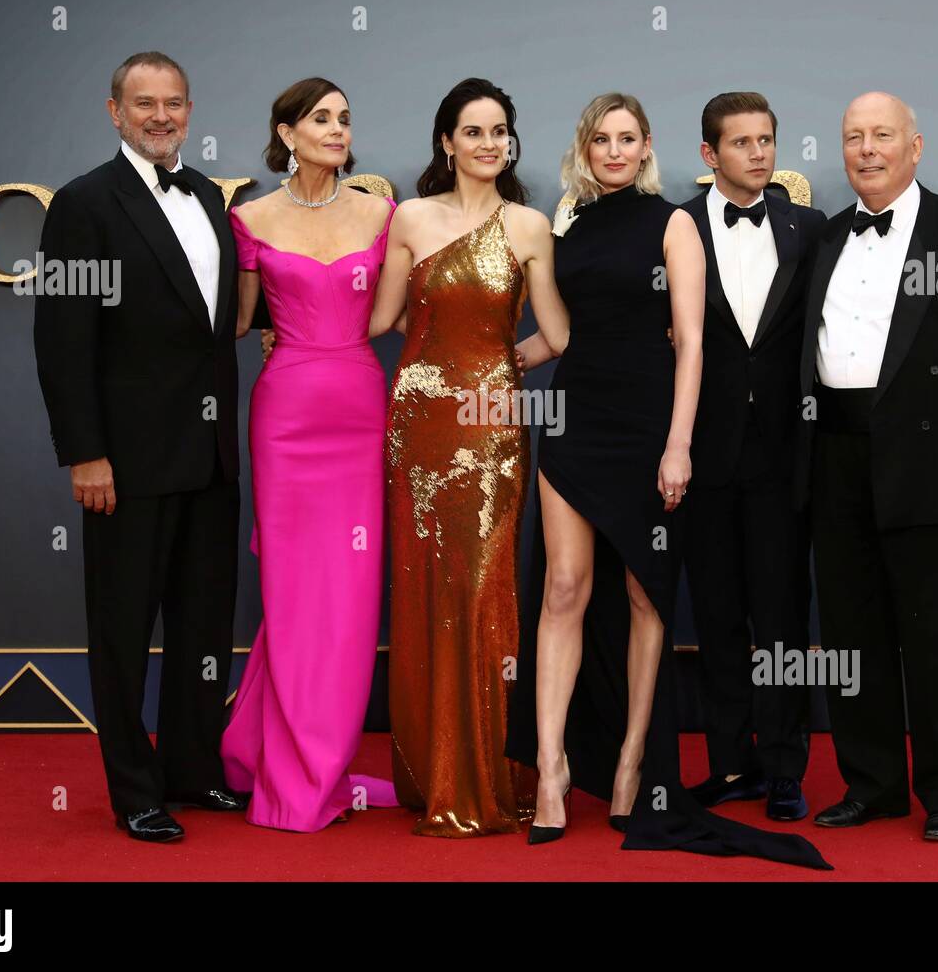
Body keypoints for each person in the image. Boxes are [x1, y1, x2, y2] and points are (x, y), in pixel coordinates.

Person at [506, 93, 830, 869]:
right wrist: (488, 364)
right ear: (583, 148)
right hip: (578, 418)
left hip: (653, 423)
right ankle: (550, 768)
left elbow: (691, 343)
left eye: (627, 139)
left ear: (647, 145)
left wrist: (678, 443)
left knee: (650, 594)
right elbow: (558, 330)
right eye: (600, 140)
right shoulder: (566, 223)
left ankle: (628, 767)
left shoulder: (672, 221)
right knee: (564, 588)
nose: (613, 151)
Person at [797, 91, 938, 842]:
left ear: (916, 146)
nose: (866, 149)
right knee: (852, 634)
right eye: (853, 136)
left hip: (930, 459)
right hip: (835, 453)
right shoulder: (825, 239)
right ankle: (873, 783)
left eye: (882, 136)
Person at [33, 52, 246, 843]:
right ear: (114, 111)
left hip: (212, 454)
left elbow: (211, 330)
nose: (161, 116)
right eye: (143, 103)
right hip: (125, 459)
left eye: (174, 103)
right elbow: (61, 342)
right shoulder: (84, 204)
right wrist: (85, 453)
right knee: (123, 628)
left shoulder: (209, 198)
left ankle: (194, 769)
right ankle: (134, 788)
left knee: (202, 624)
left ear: (190, 110)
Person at [368, 78, 570, 837]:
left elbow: (558, 333)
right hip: (417, 430)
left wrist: (500, 365)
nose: (488, 143)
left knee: (483, 590)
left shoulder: (529, 226)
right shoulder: (410, 219)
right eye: (473, 131)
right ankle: (432, 771)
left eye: (499, 131)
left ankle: (488, 772)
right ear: (446, 142)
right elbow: (383, 318)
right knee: (424, 589)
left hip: (491, 431)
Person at [220, 78, 399, 831]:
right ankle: (285, 762)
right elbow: (234, 320)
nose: (338, 129)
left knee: (351, 598)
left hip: (359, 409)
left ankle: (318, 759)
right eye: (321, 118)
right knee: (293, 597)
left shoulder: (384, 215)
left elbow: (404, 313)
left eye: (346, 118)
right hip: (286, 416)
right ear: (287, 132)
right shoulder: (251, 217)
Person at [680, 93, 827, 821]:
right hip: (702, 456)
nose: (759, 153)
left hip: (781, 456)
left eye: (766, 140)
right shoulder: (674, 228)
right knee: (716, 617)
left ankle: (784, 769)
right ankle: (730, 764)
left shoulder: (811, 228)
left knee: (782, 618)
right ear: (710, 155)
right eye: (741, 143)